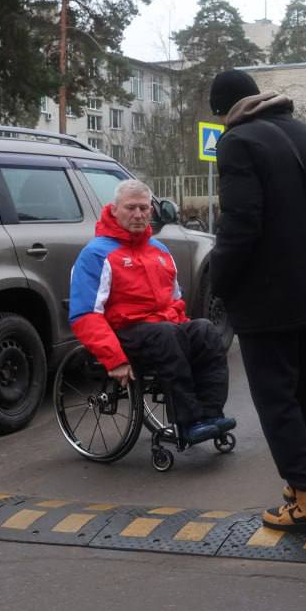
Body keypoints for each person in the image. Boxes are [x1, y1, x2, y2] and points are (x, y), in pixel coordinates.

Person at [209, 70, 306, 533]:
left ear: (225, 109)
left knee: (275, 399)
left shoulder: (237, 142)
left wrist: (219, 282)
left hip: (265, 296)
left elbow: (240, 224)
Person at [69, 179, 234, 444]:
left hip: (162, 330)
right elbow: (85, 315)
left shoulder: (160, 251)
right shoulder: (96, 254)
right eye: (130, 208)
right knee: (166, 334)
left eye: (144, 208)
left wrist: (187, 332)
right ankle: (189, 422)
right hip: (124, 332)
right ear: (114, 210)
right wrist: (115, 359)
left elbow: (175, 301)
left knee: (205, 330)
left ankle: (211, 416)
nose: (138, 214)